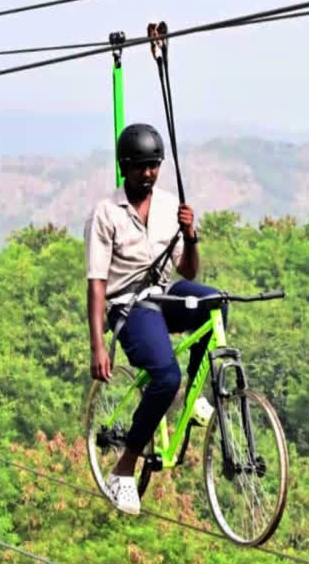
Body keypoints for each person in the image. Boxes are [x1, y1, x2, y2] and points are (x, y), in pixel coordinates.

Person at [83, 123, 226, 515]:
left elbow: (189, 272)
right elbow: (96, 285)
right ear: (125, 167)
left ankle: (195, 398)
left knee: (214, 301)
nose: (149, 173)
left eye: (155, 166)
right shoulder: (106, 213)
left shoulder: (167, 205)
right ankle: (124, 469)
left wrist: (191, 234)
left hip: (163, 294)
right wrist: (98, 344)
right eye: (141, 166)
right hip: (128, 306)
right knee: (166, 377)